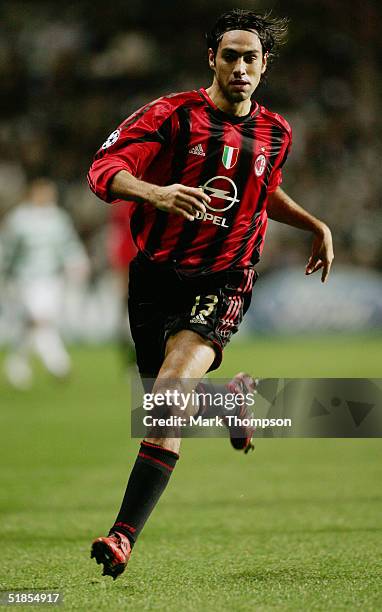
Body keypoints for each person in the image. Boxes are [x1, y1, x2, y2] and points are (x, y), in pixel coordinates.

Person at [87, 9, 334, 579]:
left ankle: (123, 536)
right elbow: (103, 169)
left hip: (225, 276)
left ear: (264, 65)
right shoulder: (171, 116)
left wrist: (314, 224)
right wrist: (155, 193)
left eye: (251, 58)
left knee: (170, 391)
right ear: (212, 59)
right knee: (162, 398)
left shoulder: (278, 131)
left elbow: (262, 190)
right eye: (230, 56)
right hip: (154, 278)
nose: (241, 67)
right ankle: (231, 401)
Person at [1, 178, 89, 388]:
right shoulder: (19, 219)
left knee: (31, 324)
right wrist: (6, 273)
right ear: (33, 194)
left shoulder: (59, 218)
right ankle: (58, 364)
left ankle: (16, 364)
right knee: (40, 320)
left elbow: (69, 245)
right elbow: (8, 249)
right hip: (25, 279)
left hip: (52, 278)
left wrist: (78, 262)